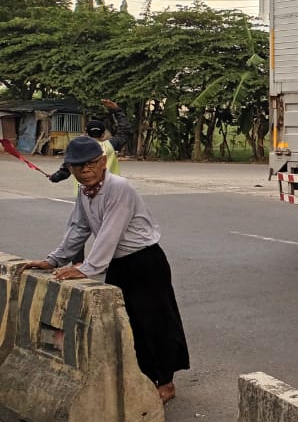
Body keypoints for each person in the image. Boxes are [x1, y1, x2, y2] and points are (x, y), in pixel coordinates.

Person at [19, 136, 189, 404]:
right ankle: (144, 376)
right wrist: (53, 260)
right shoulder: (84, 191)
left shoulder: (118, 188)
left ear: (101, 162)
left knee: (154, 322)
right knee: (128, 324)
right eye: (77, 166)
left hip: (144, 261)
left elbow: (111, 231)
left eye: (90, 165)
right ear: (69, 168)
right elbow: (78, 228)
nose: (85, 171)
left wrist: (88, 269)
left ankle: (166, 383)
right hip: (119, 264)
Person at [49, 99, 131, 184]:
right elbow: (124, 130)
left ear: (86, 133)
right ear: (103, 134)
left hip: (86, 192)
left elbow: (65, 170)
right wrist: (117, 110)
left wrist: (54, 177)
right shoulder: (111, 145)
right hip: (110, 188)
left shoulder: (79, 148)